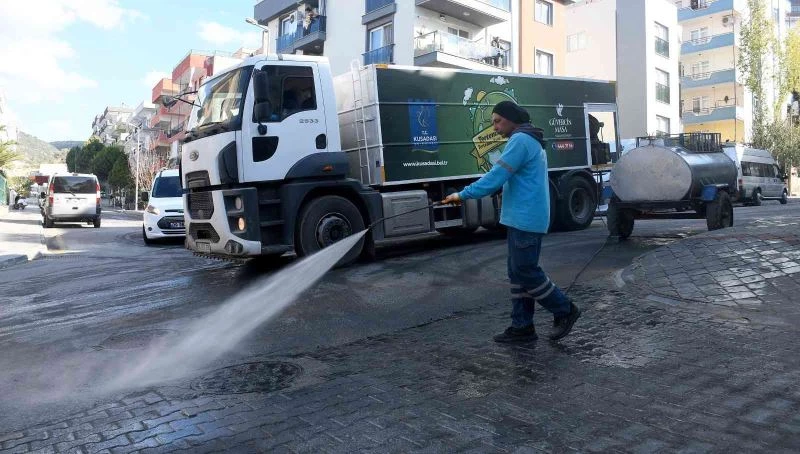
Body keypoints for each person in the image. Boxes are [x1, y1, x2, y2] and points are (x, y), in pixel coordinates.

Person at [441, 101, 581, 343]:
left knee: (525, 271)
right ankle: (522, 326)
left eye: (498, 121)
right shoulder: (528, 139)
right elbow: (512, 177)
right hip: (523, 218)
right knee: (517, 274)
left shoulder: (520, 140)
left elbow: (496, 176)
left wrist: (462, 195)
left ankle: (565, 310)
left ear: (511, 118)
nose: (495, 127)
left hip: (525, 218)